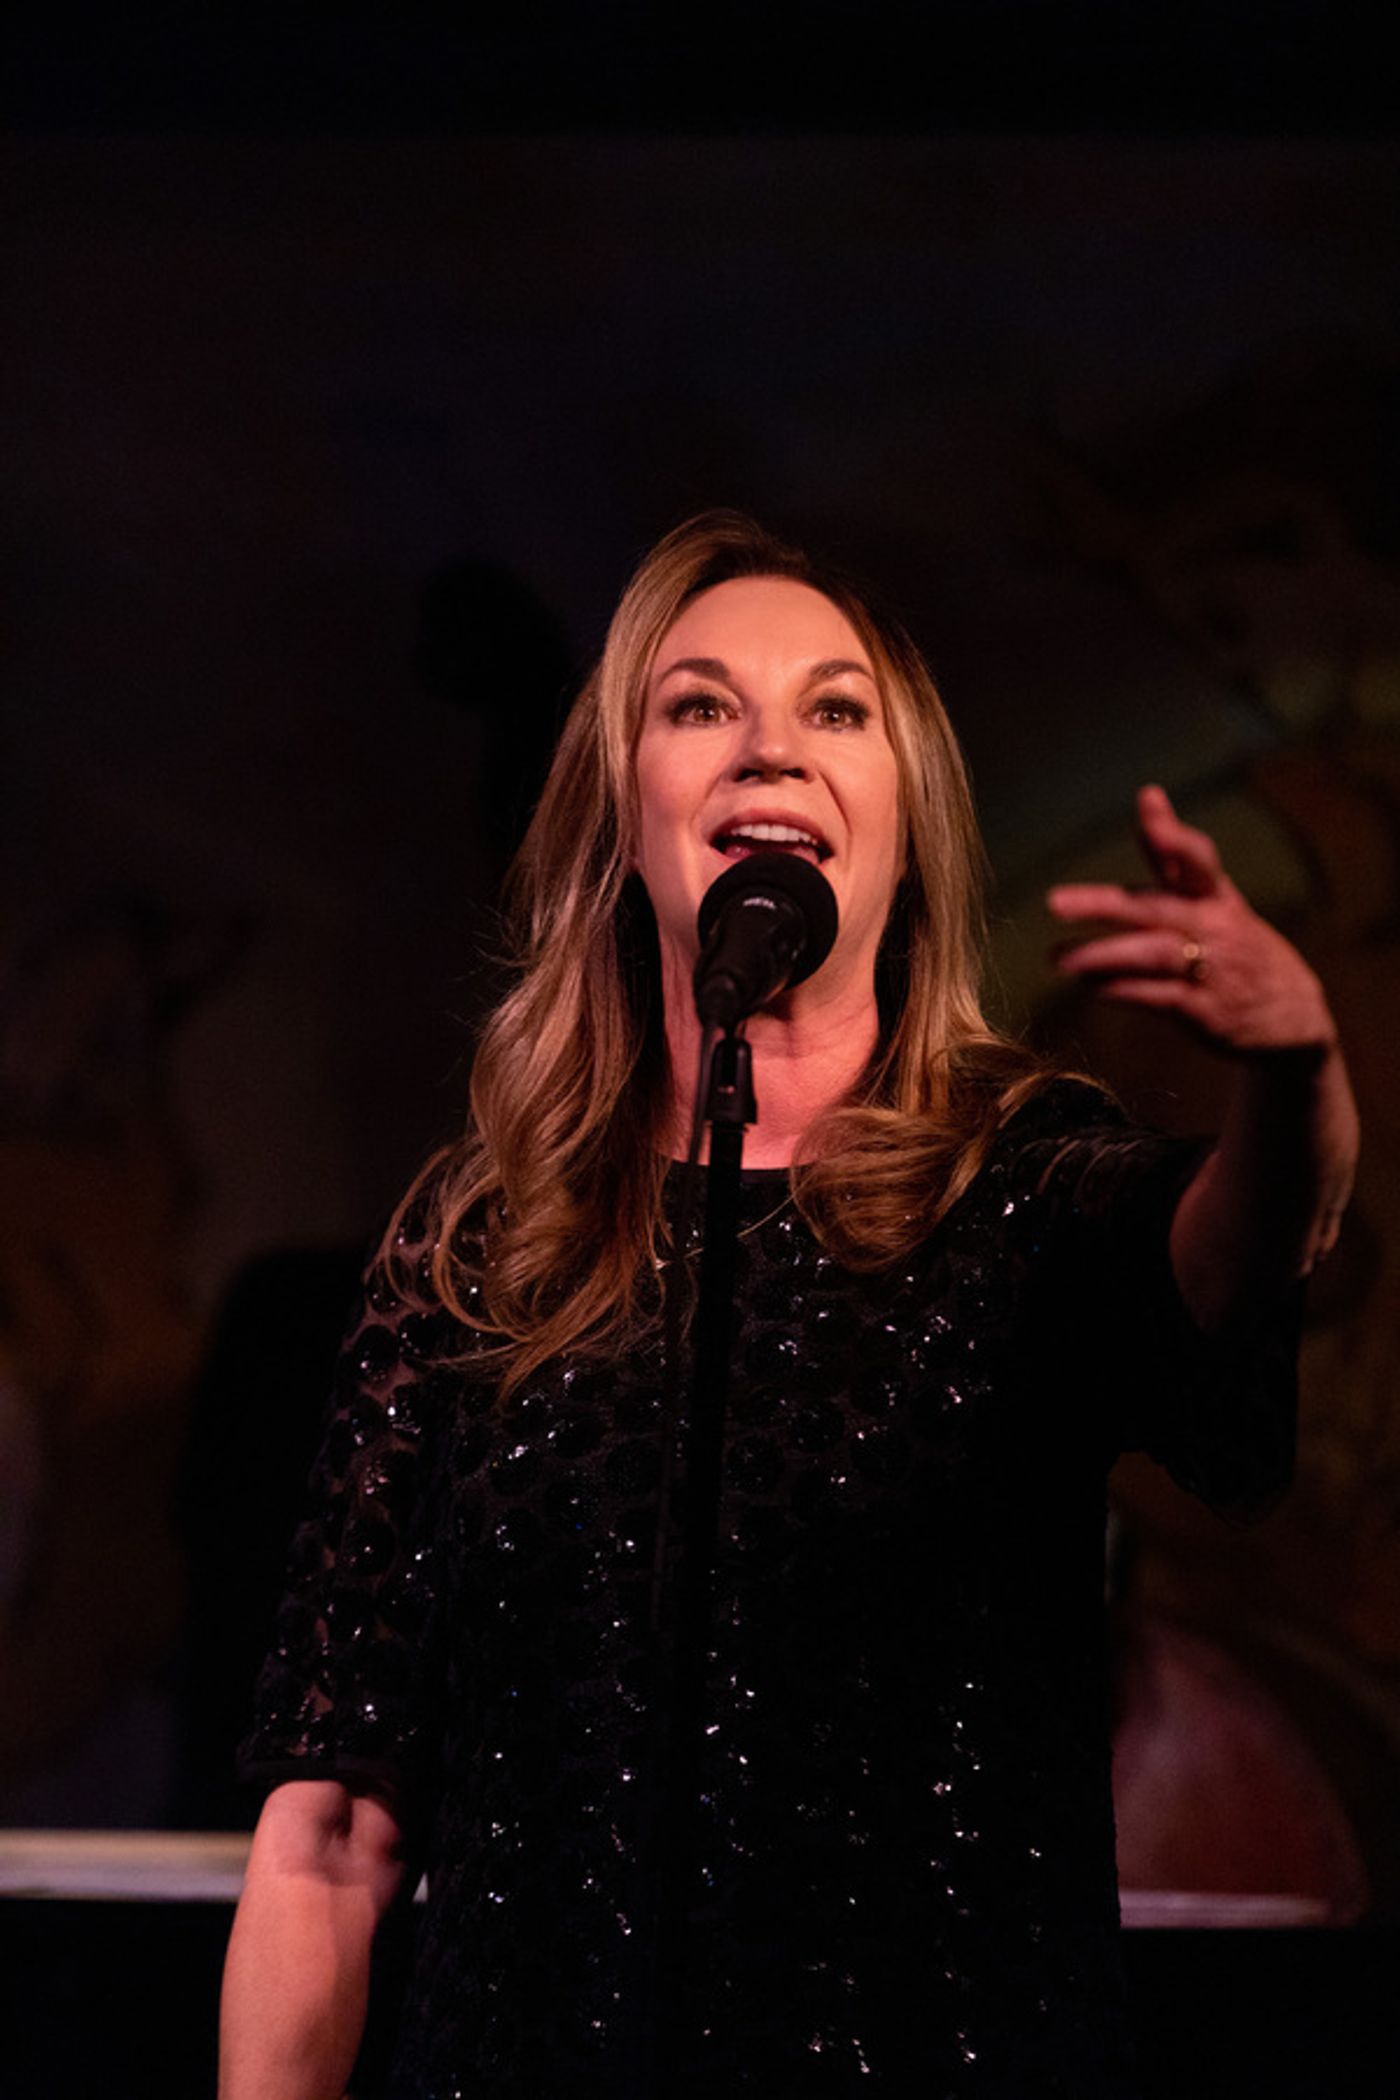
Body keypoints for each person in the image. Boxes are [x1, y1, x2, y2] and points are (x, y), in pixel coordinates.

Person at [219, 511, 1358, 2099]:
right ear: (627, 817)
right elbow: (328, 1836)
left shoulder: (1020, 1188)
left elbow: (1229, 1253)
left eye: (835, 710)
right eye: (699, 707)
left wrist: (1296, 1078)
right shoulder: (489, 1248)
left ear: (908, 827)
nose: (770, 752)